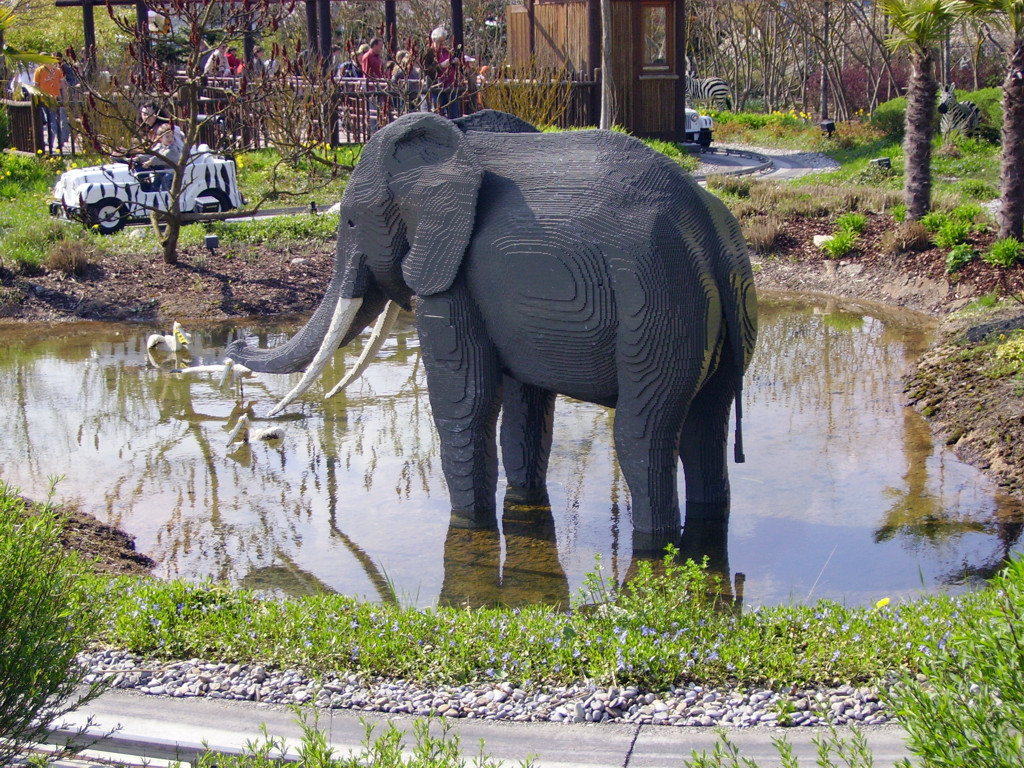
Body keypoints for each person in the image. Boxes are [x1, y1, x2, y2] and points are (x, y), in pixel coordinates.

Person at [33, 53, 68, 152]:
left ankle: (58, 140)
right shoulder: (57, 71)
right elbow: (63, 85)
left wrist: (36, 100)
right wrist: (64, 98)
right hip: (57, 98)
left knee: (51, 121)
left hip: (45, 100)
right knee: (55, 120)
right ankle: (51, 141)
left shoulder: (39, 71)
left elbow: (36, 87)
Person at [422, 26, 459, 119]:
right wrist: (441, 66)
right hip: (436, 87)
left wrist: (455, 62)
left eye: (443, 41)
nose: (442, 44)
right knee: (438, 114)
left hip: (449, 86)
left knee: (454, 115)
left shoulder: (446, 51)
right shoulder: (428, 52)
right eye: (439, 41)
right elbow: (426, 70)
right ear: (434, 40)